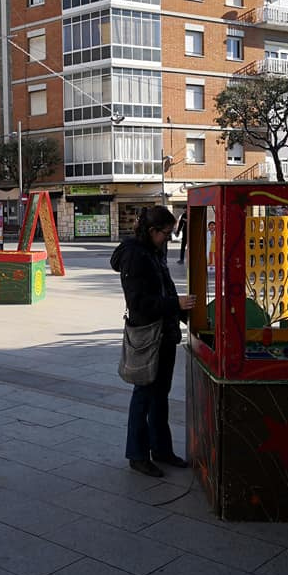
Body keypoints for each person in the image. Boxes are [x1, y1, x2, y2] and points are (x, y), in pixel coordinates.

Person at [110, 205, 196, 478]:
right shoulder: (136, 256)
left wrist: (185, 314)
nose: (169, 239)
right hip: (148, 336)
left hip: (165, 333)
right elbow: (139, 303)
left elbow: (166, 287)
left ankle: (161, 449)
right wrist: (175, 303)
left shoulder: (154, 251)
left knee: (160, 397)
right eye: (166, 234)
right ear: (151, 231)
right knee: (144, 396)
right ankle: (137, 454)